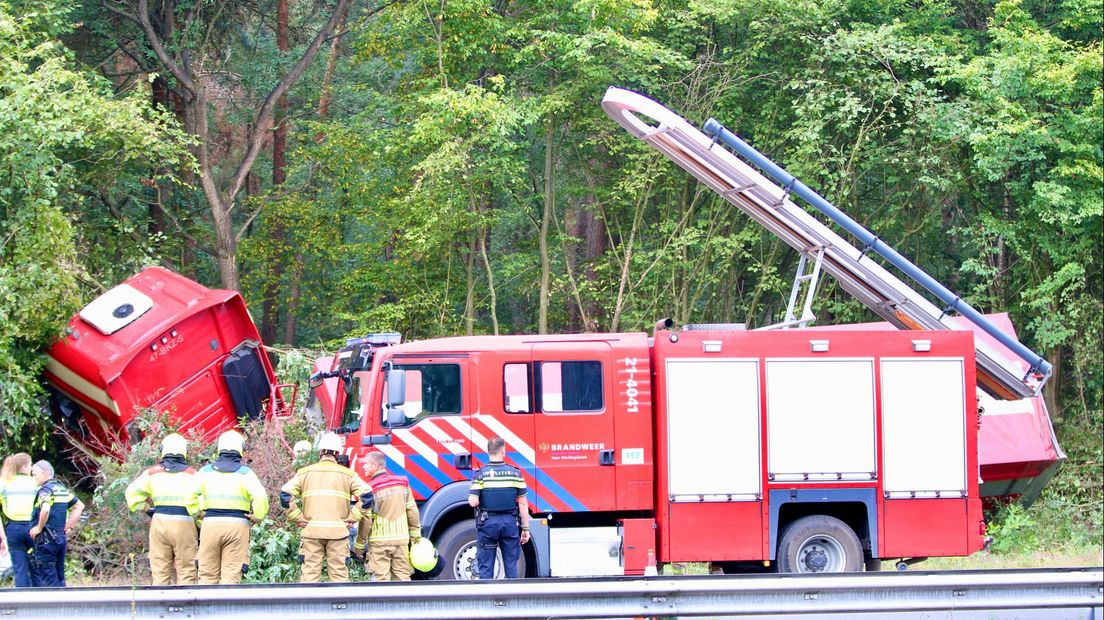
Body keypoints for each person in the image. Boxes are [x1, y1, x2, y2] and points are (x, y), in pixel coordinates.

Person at [280, 433, 373, 583]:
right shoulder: (348, 475)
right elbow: (367, 496)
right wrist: (353, 517)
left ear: (320, 451)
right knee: (339, 578)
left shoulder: (305, 473)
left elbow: (285, 494)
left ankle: (309, 607)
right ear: (337, 453)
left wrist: (297, 517)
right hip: (338, 533)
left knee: (309, 577)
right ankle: (341, 606)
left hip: (312, 532)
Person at [125, 433, 200, 585]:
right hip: (185, 523)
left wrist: (146, 508)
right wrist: (199, 521)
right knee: (186, 571)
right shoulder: (193, 475)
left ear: (163, 450)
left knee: (159, 572)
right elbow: (204, 502)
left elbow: (131, 493)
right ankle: (185, 605)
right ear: (184, 451)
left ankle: (159, 606)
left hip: (159, 523)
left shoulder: (152, 473)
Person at [196, 430, 268, 584]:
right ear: (240, 449)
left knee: (207, 575)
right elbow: (260, 497)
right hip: (237, 526)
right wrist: (258, 516)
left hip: (210, 525)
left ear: (219, 448)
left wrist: (198, 512)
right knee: (231, 576)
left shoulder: (204, 472)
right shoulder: (246, 473)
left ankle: (205, 606)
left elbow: (189, 495)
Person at [468, 437, 530, 579]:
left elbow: (472, 502)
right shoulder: (515, 473)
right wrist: (525, 529)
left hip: (488, 524)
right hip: (510, 523)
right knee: (511, 566)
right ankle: (512, 598)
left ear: (488, 451)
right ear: (503, 451)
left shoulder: (480, 474)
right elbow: (523, 503)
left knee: (486, 567)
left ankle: (487, 598)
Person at [353, 451, 420, 581]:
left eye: (366, 464)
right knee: (403, 579)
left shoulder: (370, 489)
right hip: (401, 541)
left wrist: (359, 546)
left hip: (379, 543)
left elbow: (366, 520)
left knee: (381, 582)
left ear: (375, 465)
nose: (364, 467)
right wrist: (415, 537)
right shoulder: (403, 484)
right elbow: (412, 511)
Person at [28, 460, 84, 587]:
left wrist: (38, 528)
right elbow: (79, 506)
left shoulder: (45, 490)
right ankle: (64, 605)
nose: (33, 477)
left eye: (34, 474)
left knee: (48, 577)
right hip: (60, 538)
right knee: (60, 576)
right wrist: (68, 526)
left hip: (46, 540)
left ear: (44, 473)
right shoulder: (62, 489)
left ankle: (53, 605)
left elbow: (46, 508)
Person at [0, 453, 38, 587]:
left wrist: (3, 537)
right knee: (38, 567)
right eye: (31, 464)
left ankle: (22, 602)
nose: (32, 468)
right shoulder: (35, 482)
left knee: (19, 569)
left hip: (14, 529)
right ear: (25, 466)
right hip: (34, 528)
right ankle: (41, 601)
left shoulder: (4, 483)